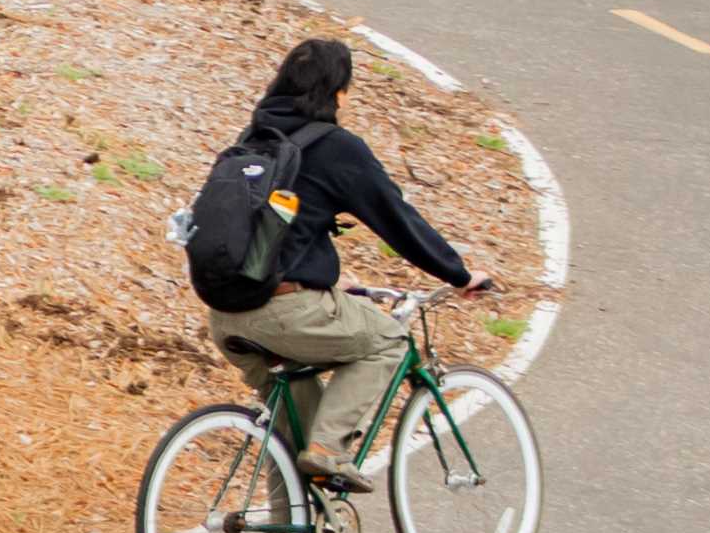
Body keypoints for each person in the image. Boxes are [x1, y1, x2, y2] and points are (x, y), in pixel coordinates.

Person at [198, 35, 491, 487]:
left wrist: (324, 273)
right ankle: (329, 449)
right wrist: (458, 273)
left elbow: (281, 233)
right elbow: (397, 219)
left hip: (226, 316)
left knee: (291, 439)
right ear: (337, 92)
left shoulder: (254, 142)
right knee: (390, 342)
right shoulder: (336, 146)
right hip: (283, 312)